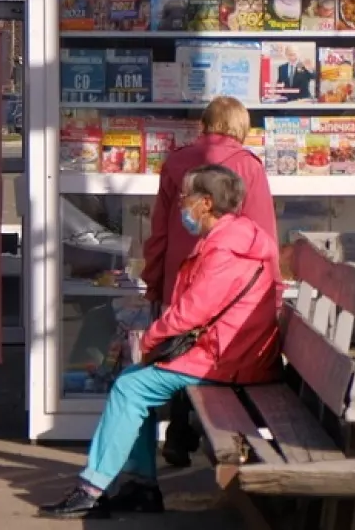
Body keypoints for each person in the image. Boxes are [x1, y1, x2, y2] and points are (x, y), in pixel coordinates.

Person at [39, 165, 282, 519]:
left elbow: (192, 311)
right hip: (232, 353)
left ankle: (91, 489)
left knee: (131, 388)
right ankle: (140, 486)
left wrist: (151, 337)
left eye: (185, 197)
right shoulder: (239, 238)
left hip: (226, 361)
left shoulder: (225, 250)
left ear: (206, 203)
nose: (180, 204)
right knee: (132, 381)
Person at [141, 95, 277, 467]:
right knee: (212, 349)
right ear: (240, 127)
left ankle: (178, 431)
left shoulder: (176, 162)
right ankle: (194, 430)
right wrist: (274, 291)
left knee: (177, 348)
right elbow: (262, 234)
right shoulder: (248, 166)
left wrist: (154, 280)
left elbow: (159, 232)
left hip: (179, 277)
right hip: (230, 288)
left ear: (204, 125)